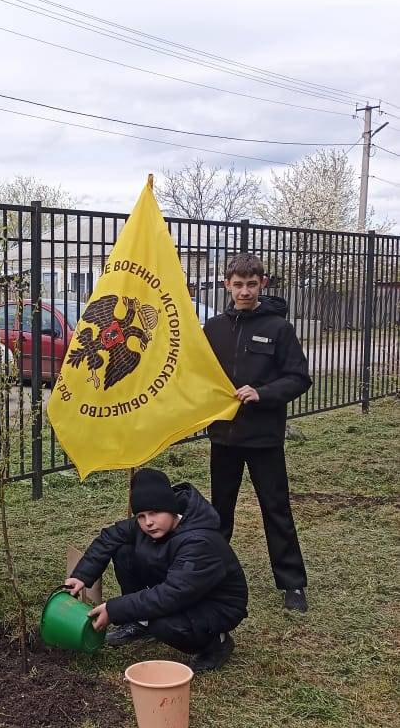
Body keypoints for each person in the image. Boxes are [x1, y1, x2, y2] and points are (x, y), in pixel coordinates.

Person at [203, 252, 312, 612]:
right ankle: (213, 577)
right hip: (224, 436)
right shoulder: (214, 329)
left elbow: (299, 378)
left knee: (275, 508)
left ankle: (292, 583)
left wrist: (262, 393)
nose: (245, 291)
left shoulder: (279, 329)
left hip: (264, 437)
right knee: (220, 512)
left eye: (252, 284)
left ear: (262, 283)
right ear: (227, 285)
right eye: (238, 284)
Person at [65, 468, 248, 672]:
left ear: (171, 508)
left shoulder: (199, 541)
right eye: (141, 516)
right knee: (124, 551)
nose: (148, 522)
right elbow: (110, 536)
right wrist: (82, 576)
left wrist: (114, 609)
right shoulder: (151, 525)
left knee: (163, 624)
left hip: (216, 604)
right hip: (180, 587)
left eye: (154, 513)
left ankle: (217, 644)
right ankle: (140, 622)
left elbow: (171, 595)